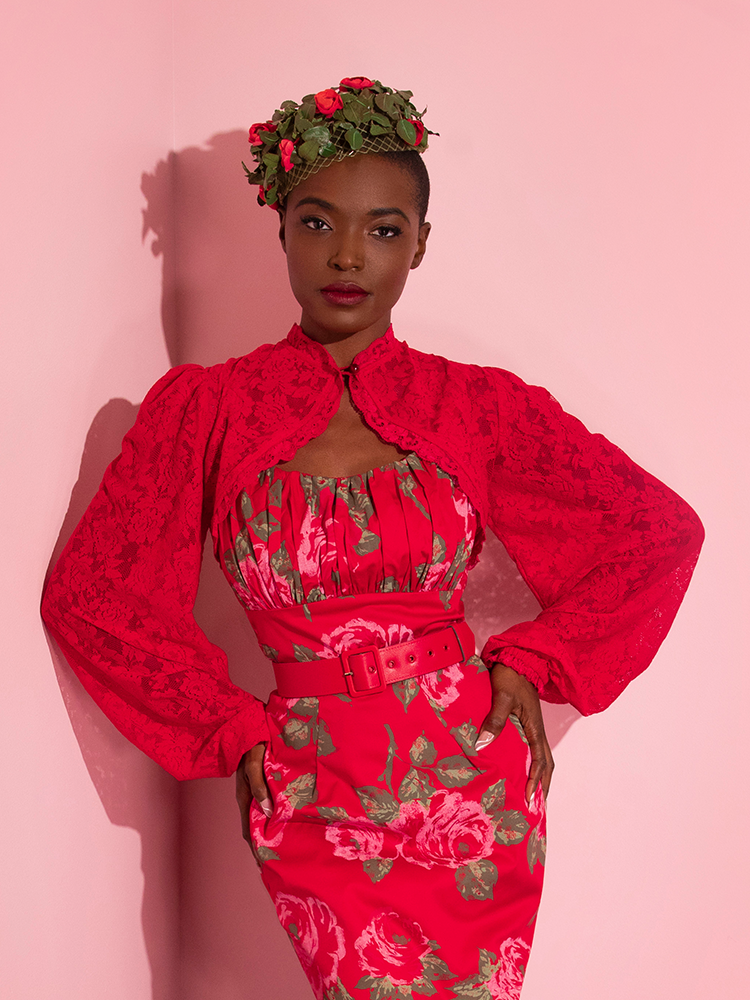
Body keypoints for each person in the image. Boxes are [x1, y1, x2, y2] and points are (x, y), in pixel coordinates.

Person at [41, 77, 704, 999]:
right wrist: (229, 728)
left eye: (384, 230)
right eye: (317, 223)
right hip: (310, 782)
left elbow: (656, 533)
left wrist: (533, 662)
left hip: (471, 778)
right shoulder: (210, 410)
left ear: (420, 243)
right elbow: (93, 596)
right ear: (280, 228)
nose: (347, 255)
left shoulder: (473, 405)